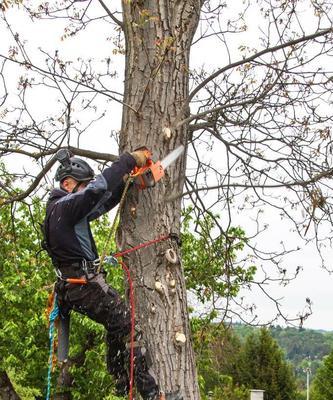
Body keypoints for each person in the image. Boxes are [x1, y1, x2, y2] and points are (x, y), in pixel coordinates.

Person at [43, 149, 182, 400]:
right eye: (82, 185)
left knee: (115, 324)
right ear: (67, 183)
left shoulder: (64, 211)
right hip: (83, 285)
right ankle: (151, 394)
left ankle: (120, 380)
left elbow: (100, 201)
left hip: (75, 288)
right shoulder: (63, 207)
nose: (86, 189)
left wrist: (127, 186)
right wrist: (129, 160)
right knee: (129, 326)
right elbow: (96, 190)